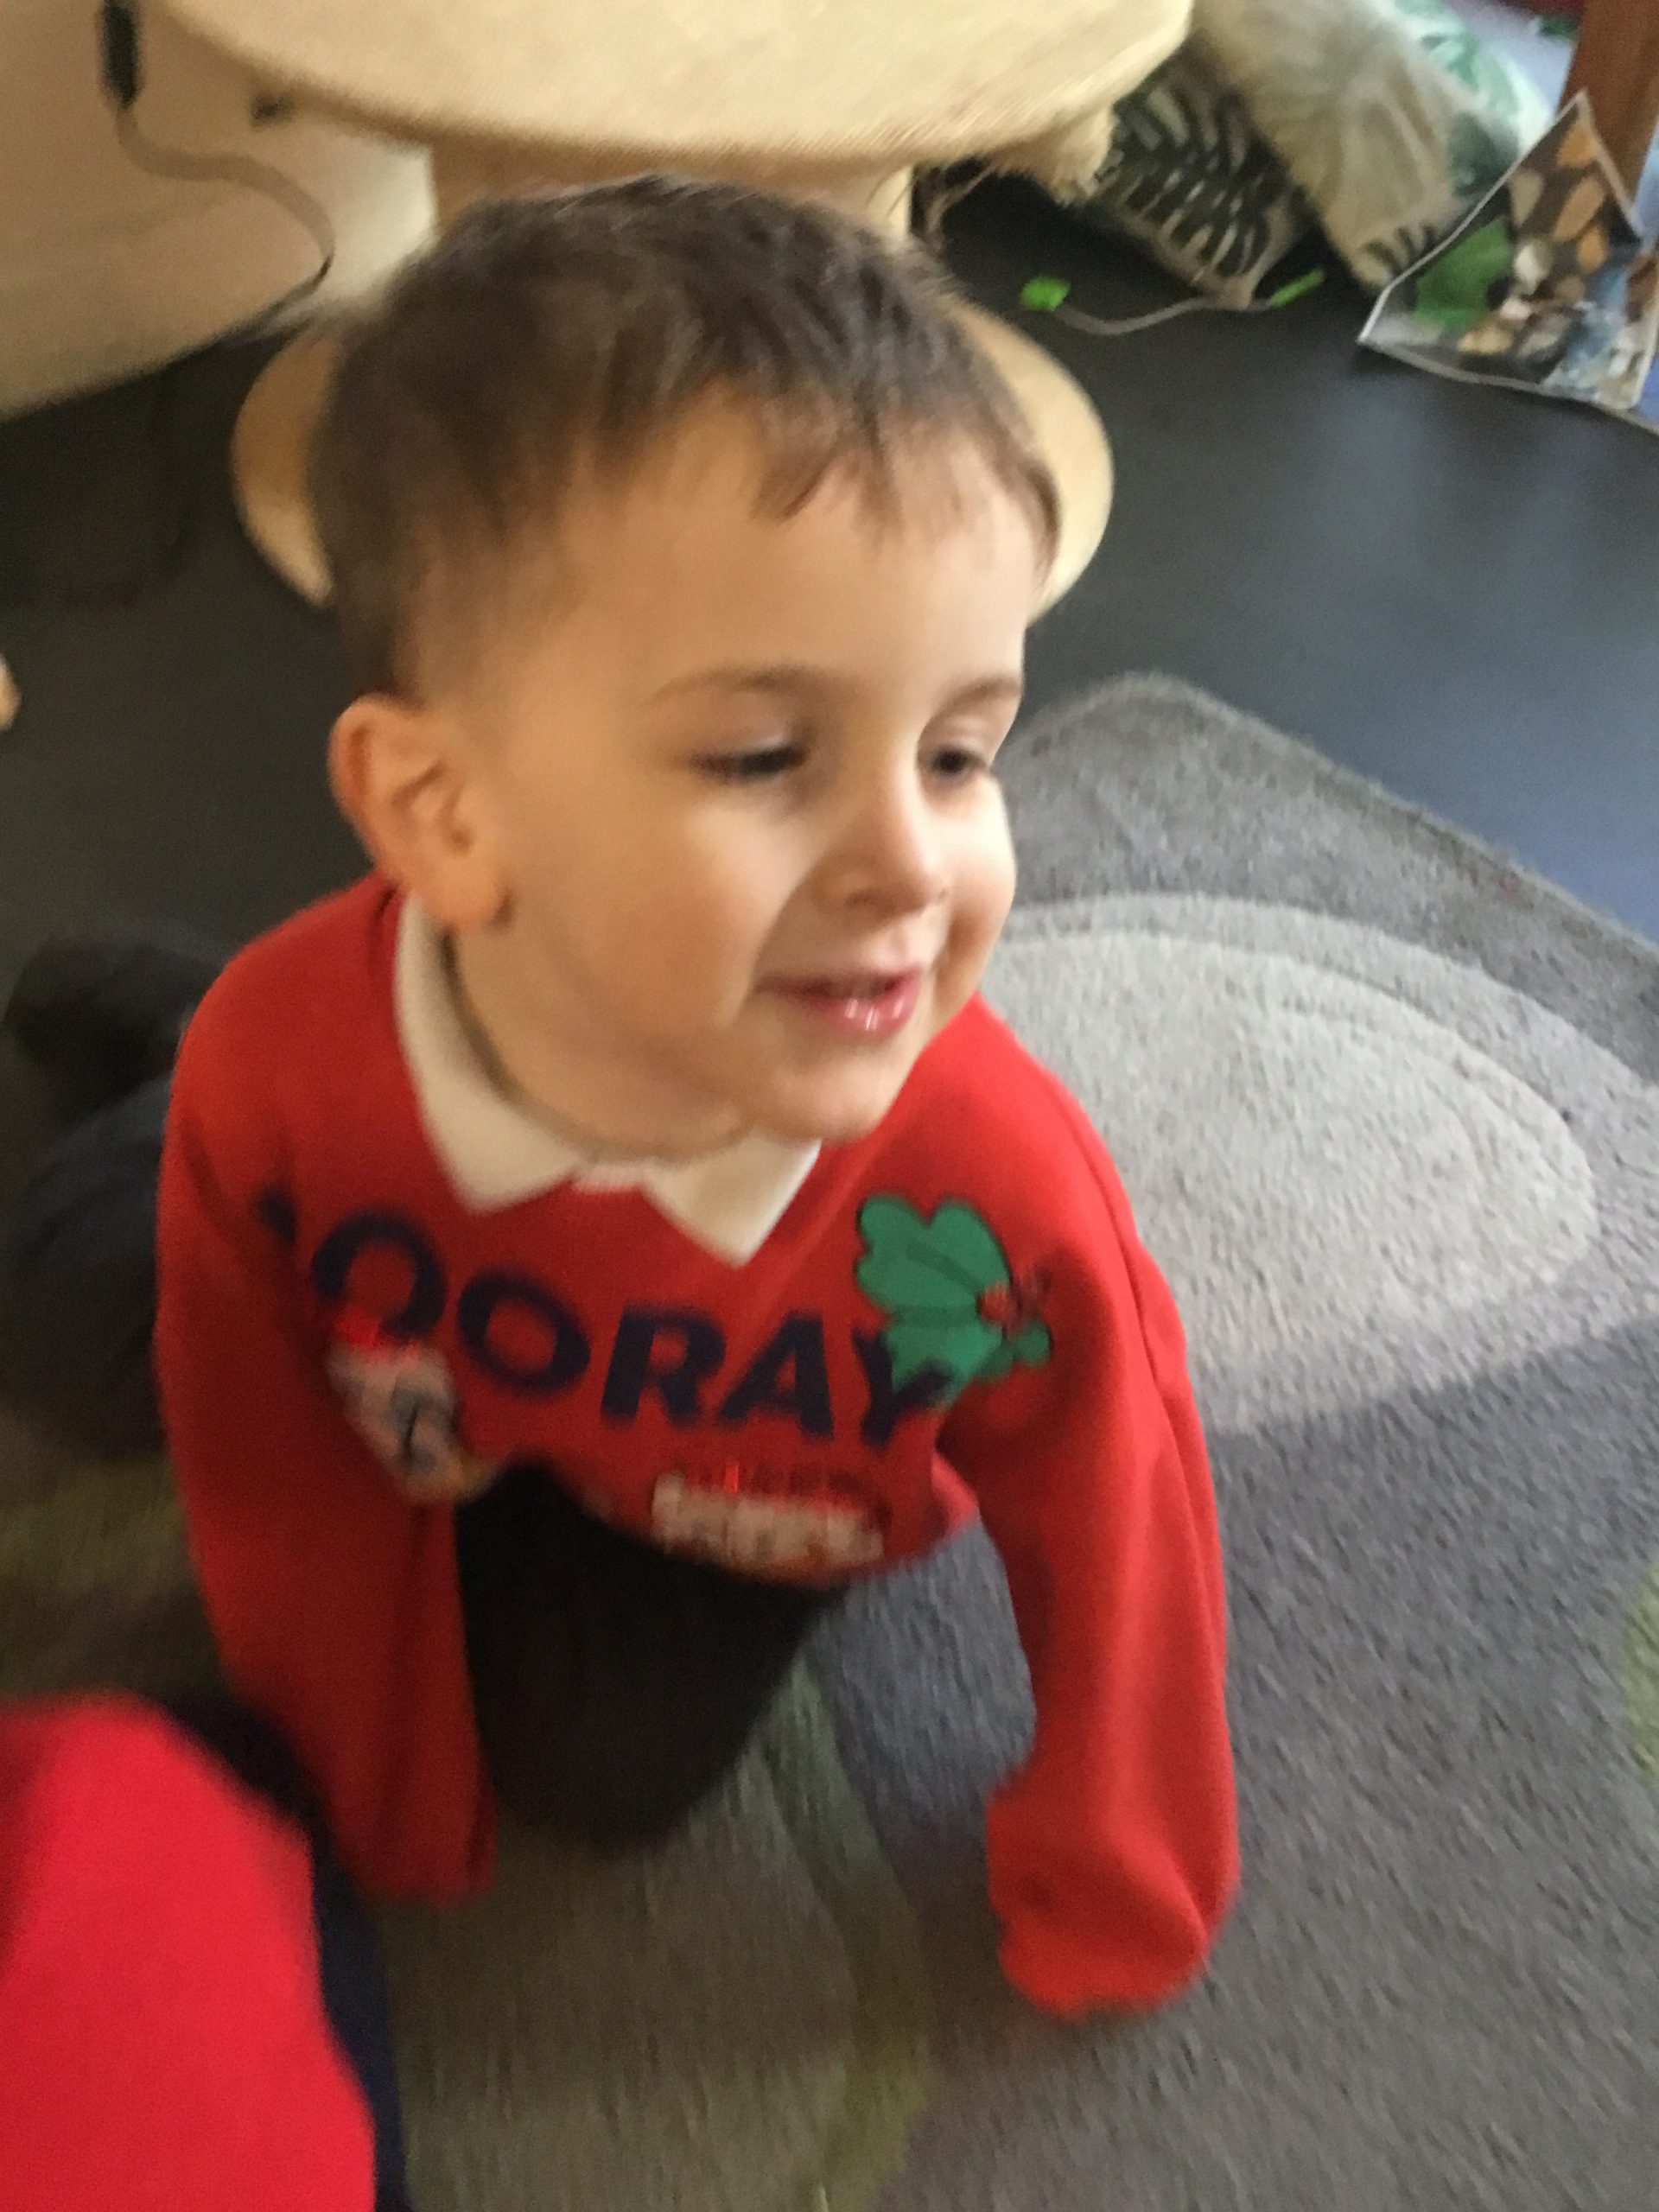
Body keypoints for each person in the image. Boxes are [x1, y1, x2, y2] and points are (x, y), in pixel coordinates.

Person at [0, 176, 1236, 2017]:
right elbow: (266, 1458)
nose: (914, 863)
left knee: (601, 1762)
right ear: (441, 812)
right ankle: (179, 1028)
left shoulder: (990, 1197)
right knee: (65, 1325)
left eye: (961, 749)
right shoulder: (290, 1076)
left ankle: (196, 1008)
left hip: (711, 1479)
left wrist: (1117, 1875)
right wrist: (364, 1774)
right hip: (359, 1181)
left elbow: (1124, 1531)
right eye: (766, 753)